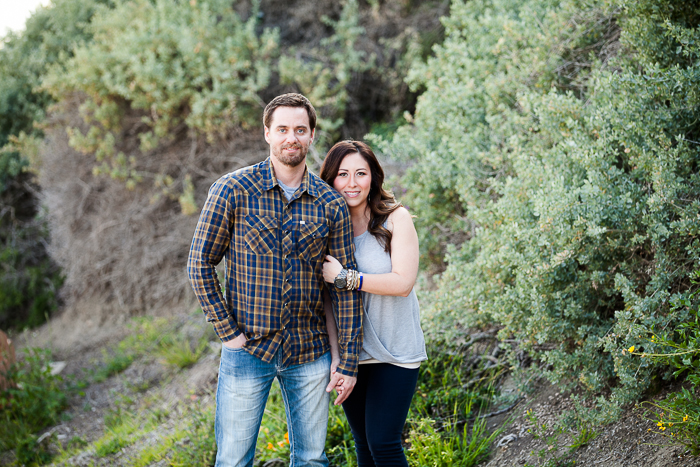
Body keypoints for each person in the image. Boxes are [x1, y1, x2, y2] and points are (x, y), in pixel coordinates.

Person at [187, 94, 363, 467]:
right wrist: (228, 333)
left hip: (310, 352)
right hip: (247, 349)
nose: (291, 138)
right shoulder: (232, 190)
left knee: (312, 460)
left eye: (300, 130)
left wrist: (347, 360)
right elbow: (200, 263)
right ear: (267, 133)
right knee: (234, 460)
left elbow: (344, 289)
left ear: (312, 135)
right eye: (282, 129)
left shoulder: (330, 204)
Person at [320, 140, 428, 467]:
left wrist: (347, 277)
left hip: (396, 352)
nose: (352, 183)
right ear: (330, 180)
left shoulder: (396, 219)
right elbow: (328, 303)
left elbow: (403, 283)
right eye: (342, 174)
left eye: (360, 173)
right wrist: (338, 358)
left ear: (373, 177)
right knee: (364, 446)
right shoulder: (327, 231)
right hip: (355, 355)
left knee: (383, 442)